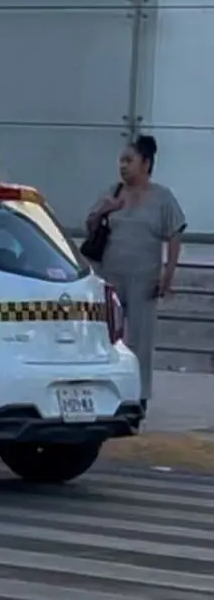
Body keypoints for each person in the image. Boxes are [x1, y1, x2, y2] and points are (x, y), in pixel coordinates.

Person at [85, 135, 185, 408]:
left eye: (129, 160)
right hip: (111, 275)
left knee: (140, 340)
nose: (123, 166)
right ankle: (106, 390)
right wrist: (105, 210)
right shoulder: (113, 192)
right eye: (121, 161)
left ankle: (138, 396)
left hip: (144, 278)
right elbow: (91, 227)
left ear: (146, 163)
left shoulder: (162, 198)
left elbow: (175, 235)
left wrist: (168, 275)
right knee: (106, 335)